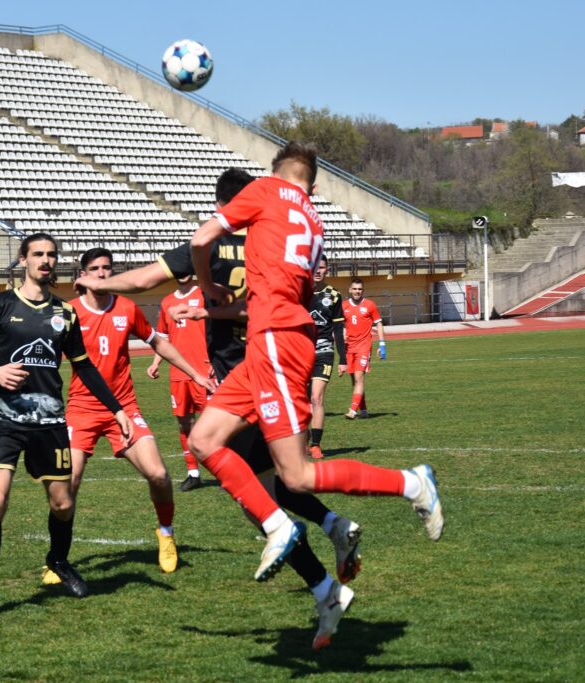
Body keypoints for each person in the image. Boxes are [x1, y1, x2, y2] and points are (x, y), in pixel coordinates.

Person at [75, 167, 366, 650]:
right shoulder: (274, 242)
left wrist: (98, 281)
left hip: (245, 375)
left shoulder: (215, 247)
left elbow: (146, 278)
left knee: (261, 495)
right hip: (270, 368)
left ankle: (328, 571)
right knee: (272, 481)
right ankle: (331, 549)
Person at [186, 142, 443, 635]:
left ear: (276, 174)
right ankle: (291, 538)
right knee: (203, 441)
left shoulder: (264, 190)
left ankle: (411, 483)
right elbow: (301, 291)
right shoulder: (314, 223)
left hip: (278, 342)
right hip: (272, 342)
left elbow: (203, 239)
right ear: (315, 186)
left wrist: (208, 287)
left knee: (297, 476)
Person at [0, 233, 134, 621]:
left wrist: (117, 409)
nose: (45, 260)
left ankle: (58, 560)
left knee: (63, 503)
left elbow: (84, 365)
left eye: (51, 255)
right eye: (38, 254)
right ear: (23, 260)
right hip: (3, 418)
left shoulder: (65, 313)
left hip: (51, 421)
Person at [63, 247, 215, 580]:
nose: (103, 273)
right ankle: (58, 558)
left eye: (107, 268)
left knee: (159, 475)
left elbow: (159, 343)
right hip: (81, 409)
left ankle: (166, 533)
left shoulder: (127, 308)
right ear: (83, 275)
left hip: (125, 408)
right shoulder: (69, 312)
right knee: (67, 485)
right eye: (95, 269)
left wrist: (195, 373)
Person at [147, 274, 212, 491]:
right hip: (178, 373)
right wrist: (156, 362)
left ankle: (229, 473)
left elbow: (217, 329)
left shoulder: (204, 295)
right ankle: (193, 473)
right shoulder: (167, 301)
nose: (182, 273)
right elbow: (163, 338)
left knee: (215, 424)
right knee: (185, 423)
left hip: (204, 370)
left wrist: (216, 359)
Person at [307, 254, 347, 458]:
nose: (318, 270)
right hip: (299, 352)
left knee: (317, 397)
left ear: (327, 270)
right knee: (301, 401)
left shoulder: (333, 295)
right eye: (314, 266)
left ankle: (315, 444)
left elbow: (339, 328)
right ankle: (302, 439)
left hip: (324, 351)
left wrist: (344, 359)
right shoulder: (297, 292)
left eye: (321, 267)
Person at [342, 277, 385, 420]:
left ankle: (353, 411)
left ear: (363, 290)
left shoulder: (370, 305)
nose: (357, 291)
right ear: (350, 290)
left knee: (359, 377)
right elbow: (340, 326)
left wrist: (382, 344)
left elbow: (378, 324)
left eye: (360, 289)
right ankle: (364, 410)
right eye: (354, 289)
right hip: (349, 347)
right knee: (355, 381)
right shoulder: (343, 306)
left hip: (364, 347)